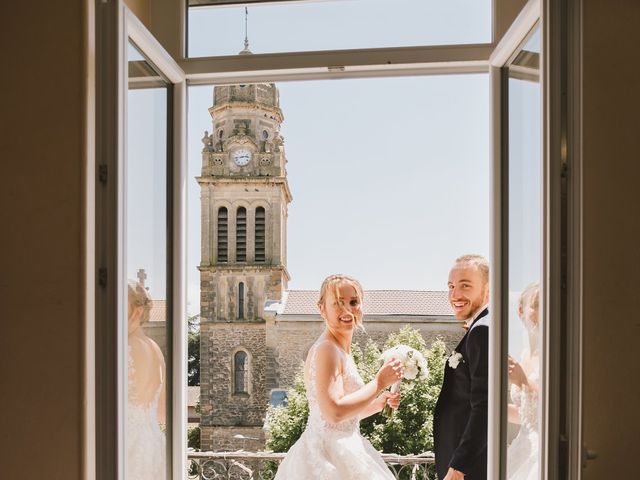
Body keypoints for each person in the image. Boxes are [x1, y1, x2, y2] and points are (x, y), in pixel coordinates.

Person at [274, 274, 402, 480]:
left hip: (342, 445)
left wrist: (378, 404)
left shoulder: (339, 350)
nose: (347, 310)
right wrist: (379, 382)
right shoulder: (328, 349)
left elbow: (338, 418)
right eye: (338, 303)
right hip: (329, 458)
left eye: (353, 302)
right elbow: (333, 412)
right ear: (322, 308)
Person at [434, 255, 490, 480]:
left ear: (487, 289)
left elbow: (484, 406)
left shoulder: (482, 331)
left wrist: (459, 467)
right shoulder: (482, 326)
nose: (455, 295)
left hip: (470, 469)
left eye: (465, 285)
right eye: (451, 286)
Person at [127, 280, 166, 480]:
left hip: (127, 445)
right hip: (152, 444)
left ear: (137, 312)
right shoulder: (155, 349)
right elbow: (162, 411)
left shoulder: (124, 347)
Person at [506, 283, 540, 480]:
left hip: (542, 449)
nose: (537, 311)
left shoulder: (553, 351)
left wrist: (522, 380)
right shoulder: (525, 354)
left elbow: (552, 410)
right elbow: (527, 414)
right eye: (535, 304)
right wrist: (493, 407)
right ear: (521, 311)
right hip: (522, 446)